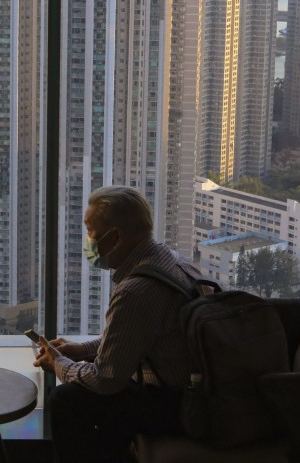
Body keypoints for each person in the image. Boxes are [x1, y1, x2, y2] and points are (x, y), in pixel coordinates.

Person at [33, 186, 198, 462]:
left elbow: (105, 380)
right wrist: (81, 350)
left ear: (116, 237)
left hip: (176, 404)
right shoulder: (172, 261)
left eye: (90, 231)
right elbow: (134, 338)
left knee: (67, 400)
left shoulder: (136, 291)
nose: (88, 240)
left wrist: (58, 364)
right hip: (193, 390)